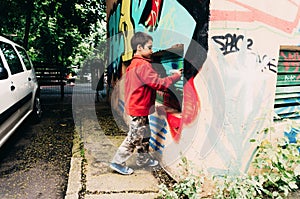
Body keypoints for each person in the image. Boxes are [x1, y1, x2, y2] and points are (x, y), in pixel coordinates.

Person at [110, 32, 183, 175]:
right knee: (134, 137)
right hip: (139, 109)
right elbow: (158, 83)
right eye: (149, 47)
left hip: (139, 107)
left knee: (144, 135)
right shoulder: (142, 65)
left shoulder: (134, 63)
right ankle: (117, 162)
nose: (152, 50)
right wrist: (176, 76)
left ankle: (143, 159)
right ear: (139, 47)